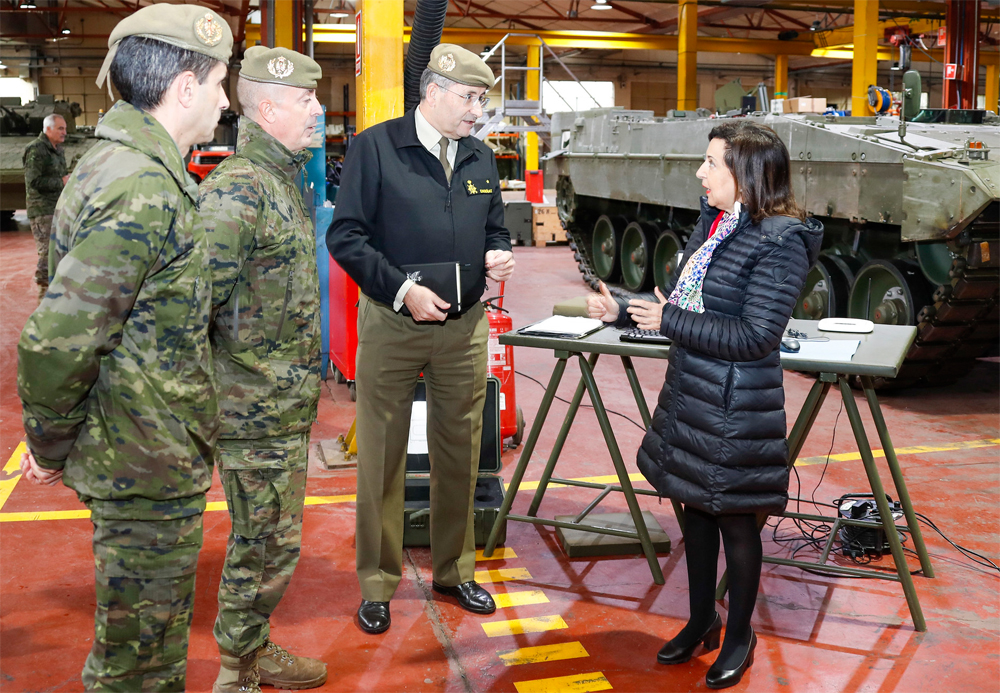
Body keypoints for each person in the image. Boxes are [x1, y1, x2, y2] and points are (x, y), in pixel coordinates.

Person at [16, 5, 232, 690]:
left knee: (146, 652)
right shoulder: (141, 186)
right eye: (222, 82)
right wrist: (49, 446)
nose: (227, 100)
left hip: (143, 444)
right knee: (138, 666)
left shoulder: (124, 165)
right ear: (187, 88)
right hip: (143, 460)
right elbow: (58, 340)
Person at [587, 121, 822, 690]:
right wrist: (626, 311)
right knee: (694, 509)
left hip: (735, 404)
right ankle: (701, 621)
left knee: (736, 522)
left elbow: (755, 335)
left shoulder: (780, 240)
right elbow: (688, 304)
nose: (701, 172)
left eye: (711, 163)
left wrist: (667, 319)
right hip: (693, 389)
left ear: (745, 175)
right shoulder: (715, 223)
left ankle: (740, 634)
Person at [327, 43, 514, 635]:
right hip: (392, 324)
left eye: (482, 100)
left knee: (460, 451)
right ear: (432, 91)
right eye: (469, 98)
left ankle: (455, 571)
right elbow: (347, 236)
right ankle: (378, 582)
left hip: (462, 330)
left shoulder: (481, 158)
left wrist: (498, 254)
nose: (478, 111)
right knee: (380, 453)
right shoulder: (376, 149)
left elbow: (498, 228)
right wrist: (402, 290)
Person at [198, 46, 327, 693]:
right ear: (270, 107)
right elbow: (196, 305)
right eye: (306, 100)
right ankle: (235, 671)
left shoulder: (280, 180)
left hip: (281, 405)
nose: (319, 110)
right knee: (260, 545)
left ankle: (251, 649)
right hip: (252, 409)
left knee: (274, 545)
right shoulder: (240, 188)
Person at [23, 112, 68, 300]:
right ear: (47, 128)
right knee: (46, 253)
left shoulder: (57, 150)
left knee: (58, 251)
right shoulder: (37, 149)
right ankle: (43, 297)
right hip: (42, 210)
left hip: (56, 209)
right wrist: (61, 182)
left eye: (65, 128)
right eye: (60, 128)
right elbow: (34, 181)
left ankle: (55, 294)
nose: (64, 132)